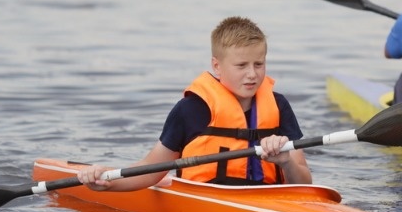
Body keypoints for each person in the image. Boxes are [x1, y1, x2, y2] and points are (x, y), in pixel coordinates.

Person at [78, 16, 312, 191]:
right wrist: (107, 182)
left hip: (268, 200)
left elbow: (304, 182)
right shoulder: (190, 110)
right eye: (241, 66)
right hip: (206, 197)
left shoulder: (279, 106)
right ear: (217, 66)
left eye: (258, 64)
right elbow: (150, 171)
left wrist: (286, 163)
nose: (252, 74)